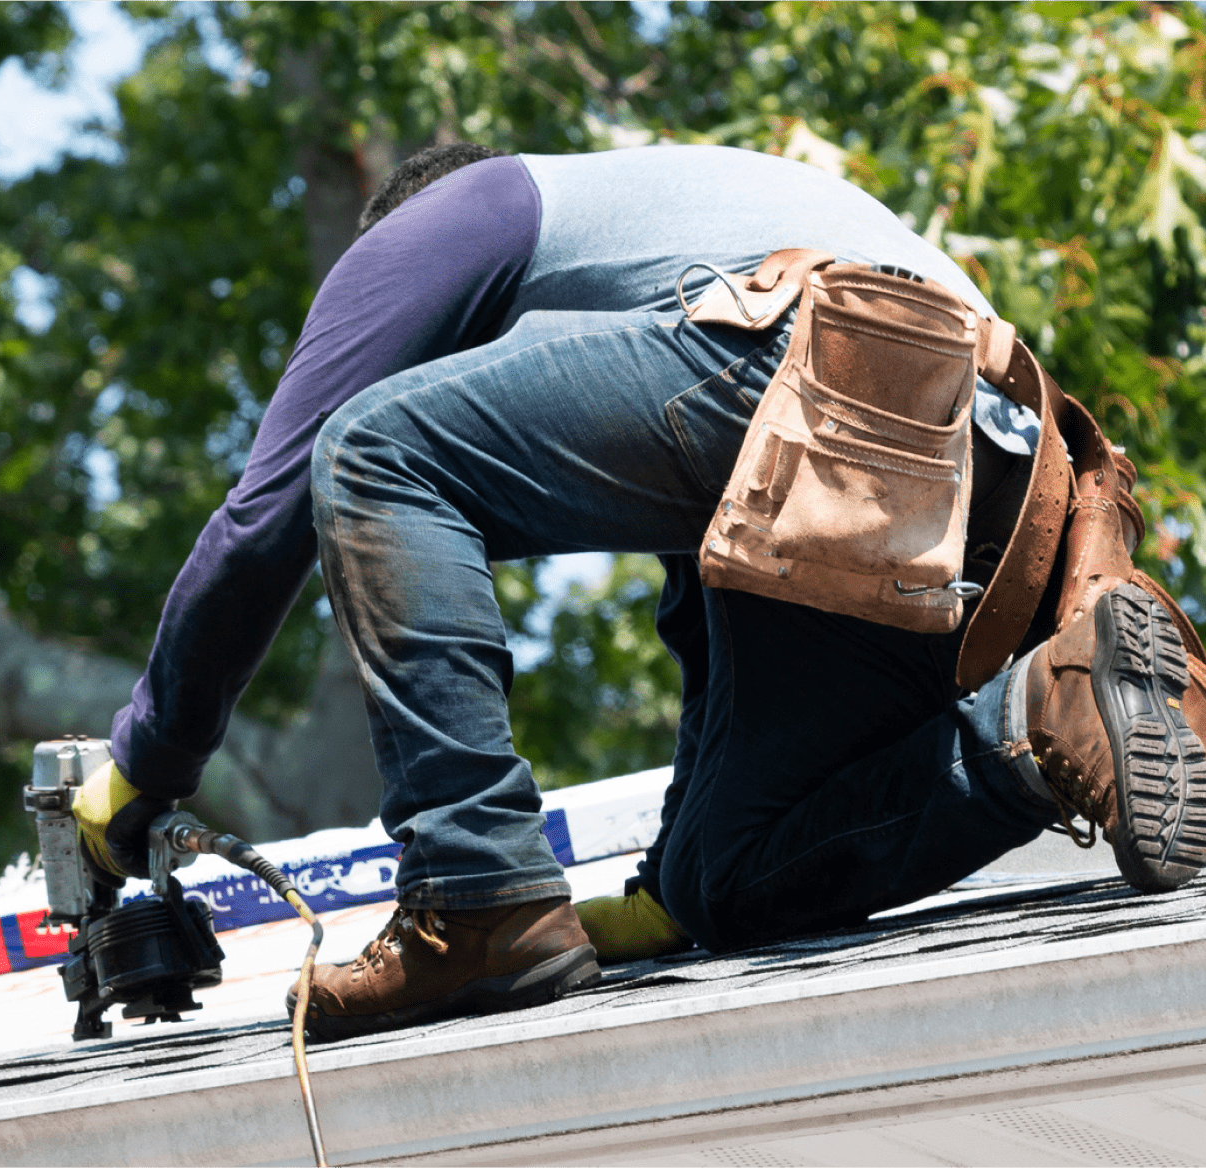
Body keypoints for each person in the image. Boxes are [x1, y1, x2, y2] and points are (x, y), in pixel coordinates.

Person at [72, 143, 1205, 1041]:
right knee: (731, 878)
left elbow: (260, 521)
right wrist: (660, 889)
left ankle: (473, 890)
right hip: (995, 490)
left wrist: (141, 771)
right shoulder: (663, 251)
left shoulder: (449, 218)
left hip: (832, 374)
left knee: (368, 453)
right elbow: (714, 613)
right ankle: (1047, 714)